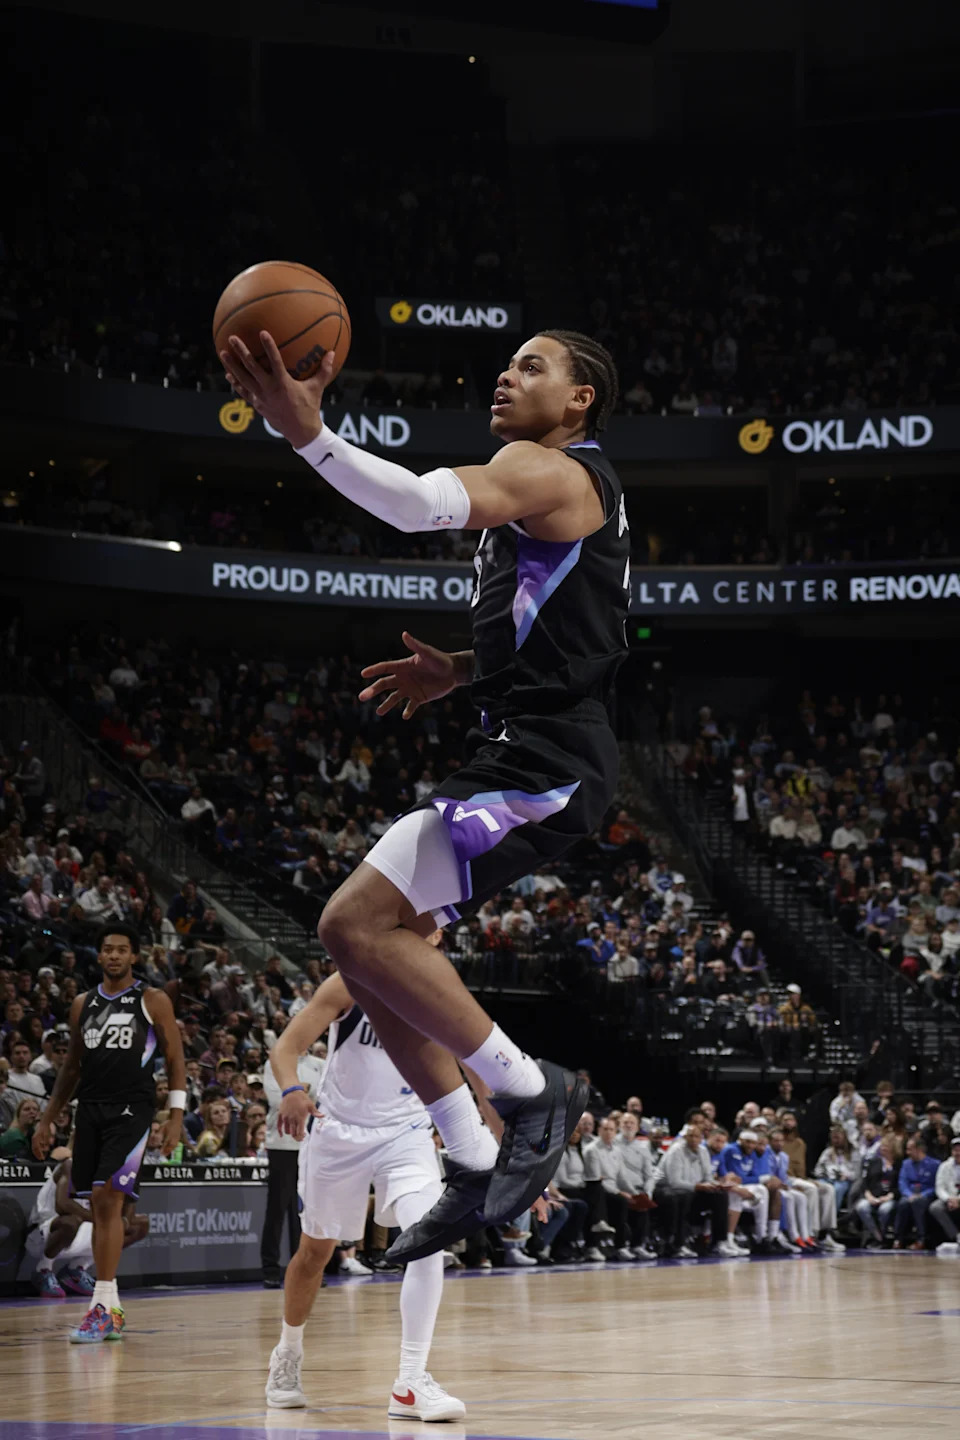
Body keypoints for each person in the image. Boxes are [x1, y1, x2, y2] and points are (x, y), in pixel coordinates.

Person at [221, 326, 628, 1256]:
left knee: (352, 928)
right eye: (509, 360)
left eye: (532, 365)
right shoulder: (551, 487)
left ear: (580, 401)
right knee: (370, 950)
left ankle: (531, 1093)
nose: (506, 373)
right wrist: (460, 667)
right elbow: (567, 626)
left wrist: (307, 434)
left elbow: (412, 506)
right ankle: (471, 1151)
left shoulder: (550, 469)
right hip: (531, 740)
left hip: (547, 757)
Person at [263, 962, 469, 1422]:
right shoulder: (352, 982)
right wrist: (292, 1089)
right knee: (315, 1253)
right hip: (337, 1133)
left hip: (407, 1131)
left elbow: (474, 1067)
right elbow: (286, 1048)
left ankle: (411, 1381)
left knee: (429, 1239)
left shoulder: (440, 987)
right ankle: (288, 1352)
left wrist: (515, 1155)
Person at [32, 923, 186, 1343]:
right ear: (99, 956)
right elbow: (71, 1069)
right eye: (107, 950)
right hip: (91, 1111)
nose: (114, 956)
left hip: (133, 1111)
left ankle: (100, 1306)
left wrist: (174, 1117)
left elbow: (175, 1060)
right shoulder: (83, 1004)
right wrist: (48, 1118)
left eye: (122, 949)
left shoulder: (152, 1000)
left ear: (134, 956)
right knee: (100, 1207)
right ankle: (110, 1305)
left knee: (106, 1199)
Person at [260, 1030, 325, 1288]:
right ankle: (270, 1267)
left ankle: (306, 1270)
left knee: (308, 1210)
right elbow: (277, 1100)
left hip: (312, 1144)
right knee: (277, 1207)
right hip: (282, 1143)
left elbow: (325, 1098)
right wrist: (303, 1092)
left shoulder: (320, 1064)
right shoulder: (274, 1061)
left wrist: (297, 1091)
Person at [930, 1136, 960, 1254]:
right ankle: (956, 1236)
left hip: (958, 1199)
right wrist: (948, 1199)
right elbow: (939, 1187)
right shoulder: (944, 1166)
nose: (958, 1152)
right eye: (955, 1150)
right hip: (949, 1199)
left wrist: (958, 1200)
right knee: (935, 1207)